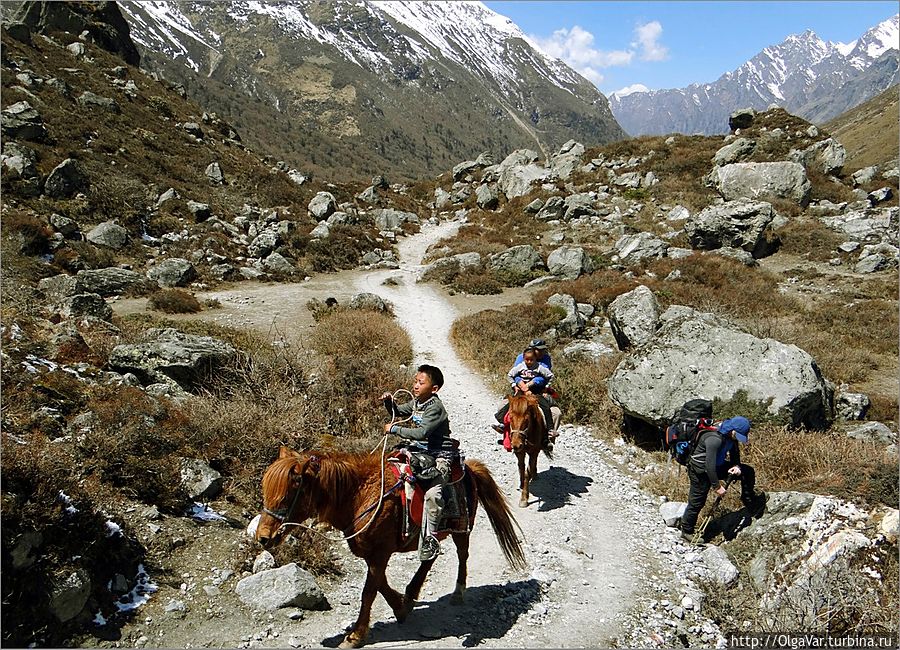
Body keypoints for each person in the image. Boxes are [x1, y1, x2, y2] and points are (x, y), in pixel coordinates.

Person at [381, 364, 454, 561]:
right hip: (418, 451)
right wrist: (389, 403)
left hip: (439, 454)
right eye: (415, 381)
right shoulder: (416, 403)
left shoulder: (435, 407)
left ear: (434, 389)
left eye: (421, 383)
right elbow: (397, 411)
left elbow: (422, 433)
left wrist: (395, 430)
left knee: (433, 494)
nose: (415, 386)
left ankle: (430, 538)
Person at [679, 416, 764, 543]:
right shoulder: (714, 439)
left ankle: (748, 498)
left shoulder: (730, 436)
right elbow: (709, 466)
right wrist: (717, 487)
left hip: (716, 466)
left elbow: (734, 453)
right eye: (738, 435)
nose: (738, 439)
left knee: (747, 471)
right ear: (732, 431)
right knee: (697, 501)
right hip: (700, 471)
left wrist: (736, 466)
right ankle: (686, 530)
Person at [493, 345, 561, 450]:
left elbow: (550, 376)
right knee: (510, 406)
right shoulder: (520, 366)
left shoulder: (540, 366)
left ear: (535, 358)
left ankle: (549, 431)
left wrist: (546, 387)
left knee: (545, 407)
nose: (529, 362)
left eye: (531, 360)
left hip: (536, 392)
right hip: (521, 391)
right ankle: (503, 424)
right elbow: (510, 375)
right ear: (524, 358)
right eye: (527, 360)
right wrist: (514, 385)